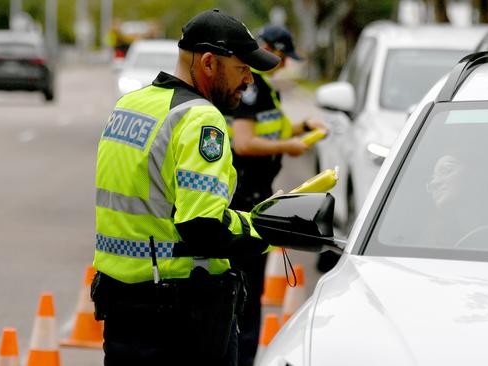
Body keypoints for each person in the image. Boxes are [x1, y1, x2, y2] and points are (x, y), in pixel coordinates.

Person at [90, 9, 280, 366]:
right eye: (242, 69)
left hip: (122, 309)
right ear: (209, 63)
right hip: (180, 322)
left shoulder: (130, 106)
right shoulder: (200, 119)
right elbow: (202, 228)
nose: (249, 82)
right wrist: (266, 227)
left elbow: (155, 207)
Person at [224, 24, 327, 366]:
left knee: (249, 291)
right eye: (281, 56)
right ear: (269, 49)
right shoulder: (251, 89)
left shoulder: (267, 88)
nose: (283, 64)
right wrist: (291, 146)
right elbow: (243, 141)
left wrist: (301, 130)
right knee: (246, 293)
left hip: (257, 192)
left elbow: (269, 129)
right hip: (243, 197)